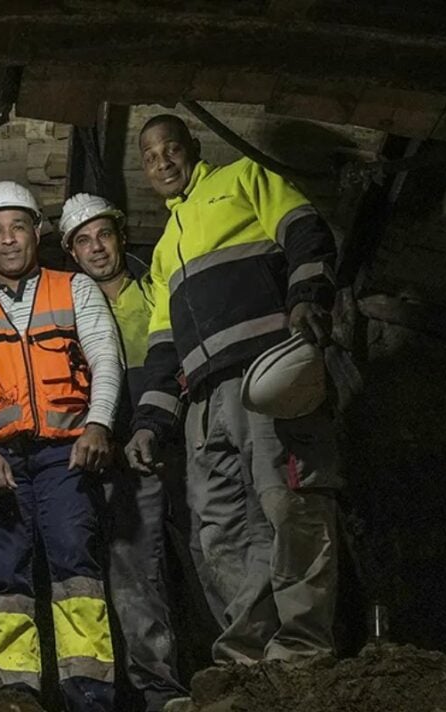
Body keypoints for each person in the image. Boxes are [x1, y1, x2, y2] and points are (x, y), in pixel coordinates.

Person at [126, 114, 342, 665]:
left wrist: (307, 293)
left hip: (266, 377)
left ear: (193, 147)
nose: (162, 163)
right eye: (150, 158)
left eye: (170, 149)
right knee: (219, 525)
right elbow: (162, 348)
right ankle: (246, 655)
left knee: (288, 504)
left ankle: (300, 648)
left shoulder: (245, 177)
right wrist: (151, 422)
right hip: (202, 401)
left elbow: (304, 229)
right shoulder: (163, 251)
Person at [0, 180, 123, 711]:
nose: (8, 240)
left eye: (18, 227)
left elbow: (104, 358)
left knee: (76, 571)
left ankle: (90, 697)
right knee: (5, 580)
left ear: (37, 232)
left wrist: (98, 424)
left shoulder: (74, 287)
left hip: (65, 453)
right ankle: (16, 698)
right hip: (0, 460)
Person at [60, 193, 188, 711]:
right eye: (84, 241)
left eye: (103, 235)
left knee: (202, 556)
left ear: (121, 236)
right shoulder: (69, 307)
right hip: (112, 460)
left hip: (173, 444)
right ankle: (159, 692)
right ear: (72, 252)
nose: (96, 248)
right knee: (132, 577)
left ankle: (232, 674)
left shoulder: (155, 291)